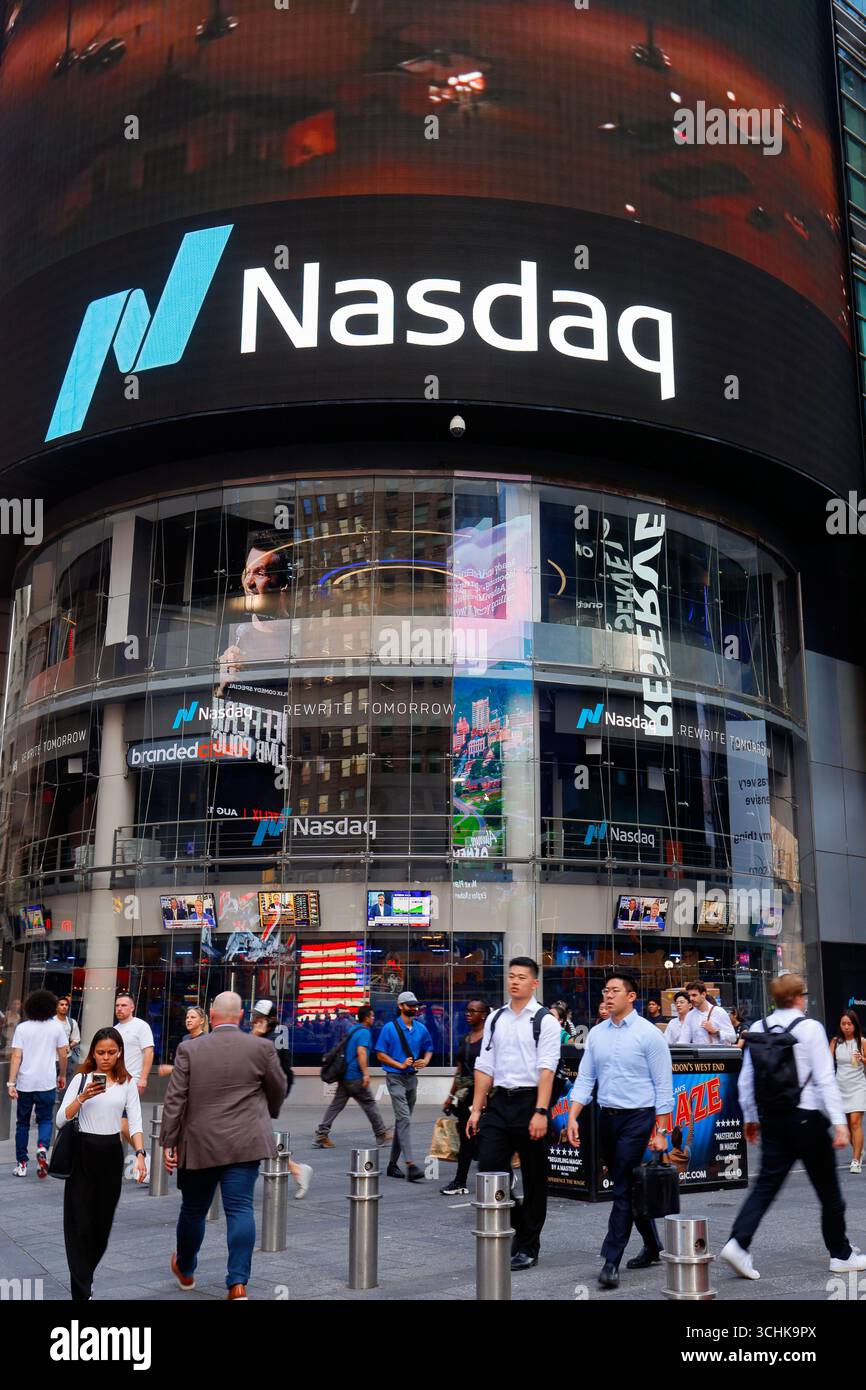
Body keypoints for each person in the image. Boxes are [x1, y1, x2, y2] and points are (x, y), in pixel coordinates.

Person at [721, 973, 866, 1281]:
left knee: (765, 1188)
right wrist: (840, 1122)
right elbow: (825, 1078)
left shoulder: (759, 1028)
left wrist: (750, 1118)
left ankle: (738, 1243)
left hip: (772, 1118)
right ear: (800, 997)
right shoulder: (811, 1028)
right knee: (829, 1191)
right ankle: (840, 1254)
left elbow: (746, 1079)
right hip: (807, 1118)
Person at [161, 991, 288, 1300]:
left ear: (212, 1017)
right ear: (242, 1016)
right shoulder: (262, 1048)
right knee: (240, 1208)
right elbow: (278, 1087)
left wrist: (169, 1140)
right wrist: (266, 1112)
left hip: (200, 1142)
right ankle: (238, 1283)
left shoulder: (188, 1049)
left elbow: (175, 1098)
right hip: (246, 1141)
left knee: (193, 1210)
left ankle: (187, 1268)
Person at [567, 972, 673, 1289]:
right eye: (605, 990)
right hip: (605, 1117)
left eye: (615, 990)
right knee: (626, 1186)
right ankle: (653, 1246)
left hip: (638, 1118)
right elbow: (585, 1078)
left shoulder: (649, 1035)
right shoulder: (597, 1034)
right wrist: (573, 1115)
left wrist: (662, 1131)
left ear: (631, 997)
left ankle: (611, 1260)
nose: (608, 995)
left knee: (622, 1188)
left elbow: (663, 1087)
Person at [468, 957, 561, 1271]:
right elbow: (484, 1067)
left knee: (534, 1178)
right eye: (511, 976)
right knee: (490, 1171)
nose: (515, 981)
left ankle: (529, 1246)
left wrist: (541, 1111)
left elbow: (547, 1069)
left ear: (534, 983)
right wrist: (476, 1109)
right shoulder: (495, 1018)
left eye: (522, 977)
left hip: (531, 1102)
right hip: (499, 1105)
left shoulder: (545, 1020)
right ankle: (520, 1228)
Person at [56, 1027, 146, 1300]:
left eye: (111, 1052)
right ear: (93, 1053)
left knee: (101, 1227)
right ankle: (81, 1291)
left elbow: (136, 1121)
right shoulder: (82, 1079)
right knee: (78, 1224)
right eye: (100, 1052)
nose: (105, 1057)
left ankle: (87, 1274)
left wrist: (140, 1154)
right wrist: (83, 1097)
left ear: (119, 1053)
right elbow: (61, 1119)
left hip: (110, 1155)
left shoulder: (127, 1082)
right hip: (83, 1153)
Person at [250, 1000, 314, 1198]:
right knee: (258, 1132)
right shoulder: (270, 1034)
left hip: (267, 1091)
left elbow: (263, 1064)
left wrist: (254, 1037)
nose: (254, 1020)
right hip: (265, 1090)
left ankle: (296, 1168)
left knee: (256, 1131)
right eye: (254, 1016)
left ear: (269, 1019)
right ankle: (296, 1169)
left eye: (259, 1017)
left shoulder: (274, 1037)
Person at [7, 989, 69, 1178]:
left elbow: (17, 1056)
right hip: (47, 1082)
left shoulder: (23, 1028)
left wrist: (11, 1082)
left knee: (23, 1123)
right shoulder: (56, 1027)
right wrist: (63, 1074)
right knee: (45, 1119)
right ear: (51, 1006)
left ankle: (22, 1163)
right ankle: (42, 1147)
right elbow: (63, 1054)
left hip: (25, 1083)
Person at [314, 1004, 392, 1152]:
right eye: (372, 1015)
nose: (373, 1018)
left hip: (344, 1075)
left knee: (336, 1105)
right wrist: (366, 1073)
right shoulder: (364, 1032)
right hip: (355, 1076)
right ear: (367, 1017)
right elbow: (361, 1052)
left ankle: (322, 1134)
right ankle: (381, 1133)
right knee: (369, 1104)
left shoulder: (352, 1029)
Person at [376, 991, 433, 1183]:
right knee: (404, 1118)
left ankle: (392, 1164)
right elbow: (380, 1054)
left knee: (403, 1122)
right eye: (410, 1005)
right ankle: (410, 1164)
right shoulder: (389, 1028)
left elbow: (429, 1048)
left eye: (416, 1005)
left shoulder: (420, 1028)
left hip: (411, 1079)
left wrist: (424, 1061)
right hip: (395, 1078)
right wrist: (399, 1064)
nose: (414, 1008)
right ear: (400, 1006)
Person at [440, 999, 491, 1196]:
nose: (468, 1014)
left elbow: (492, 1070)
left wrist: (486, 1095)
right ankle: (460, 1181)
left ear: (484, 1015)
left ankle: (503, 1174)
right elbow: (460, 1070)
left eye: (473, 1011)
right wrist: (450, 1095)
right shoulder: (465, 1039)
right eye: (467, 1011)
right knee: (466, 1139)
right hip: (465, 1097)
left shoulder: (490, 1039)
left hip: (484, 1096)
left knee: (487, 1139)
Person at [113, 993, 154, 1177]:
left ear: (132, 1007)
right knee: (120, 1125)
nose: (119, 1008)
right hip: (115, 1084)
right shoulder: (114, 1030)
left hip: (133, 1082)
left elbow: (148, 1052)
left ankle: (142, 1157)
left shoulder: (140, 1026)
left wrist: (143, 1078)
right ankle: (135, 1162)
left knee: (124, 1125)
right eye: (117, 1005)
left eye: (123, 1005)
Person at [831, 1010, 866, 1174]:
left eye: (849, 1024)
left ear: (855, 1025)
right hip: (841, 1086)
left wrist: (862, 1059)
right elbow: (826, 1062)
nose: (846, 1027)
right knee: (848, 1126)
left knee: (855, 1123)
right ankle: (859, 1150)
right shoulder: (835, 1042)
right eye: (843, 1023)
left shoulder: (862, 1041)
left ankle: (856, 1160)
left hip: (858, 1085)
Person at [682, 981, 737, 1046]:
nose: (691, 998)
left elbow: (733, 1037)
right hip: (699, 1054)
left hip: (717, 1054)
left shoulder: (719, 1012)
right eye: (689, 996)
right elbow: (683, 1040)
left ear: (703, 994)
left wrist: (716, 1032)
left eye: (694, 995)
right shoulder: (690, 1015)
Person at [158, 1007, 209, 1076]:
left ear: (202, 1021)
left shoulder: (206, 1039)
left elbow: (199, 1066)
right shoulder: (185, 1038)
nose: (189, 1020)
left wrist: (172, 1069)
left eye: (193, 1017)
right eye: (187, 1017)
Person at [56, 995, 82, 1068]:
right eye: (61, 1005)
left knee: (67, 1079)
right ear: (56, 1007)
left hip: (68, 1058)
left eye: (66, 1005)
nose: (64, 1007)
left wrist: (69, 1046)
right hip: (52, 1059)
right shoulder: (51, 1022)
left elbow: (76, 1039)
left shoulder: (72, 1022)